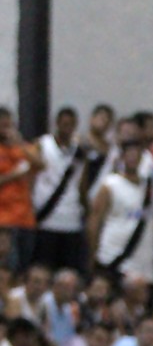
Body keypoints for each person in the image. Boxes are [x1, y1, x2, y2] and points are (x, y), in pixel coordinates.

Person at [88, 120, 153, 285]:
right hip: (115, 257)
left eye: (137, 154)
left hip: (144, 260)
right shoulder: (111, 184)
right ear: (121, 157)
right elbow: (95, 221)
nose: (133, 158)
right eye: (129, 153)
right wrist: (93, 253)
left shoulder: (150, 186)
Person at [32, 107, 87, 272]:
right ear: (56, 123)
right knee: (43, 267)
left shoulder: (79, 151)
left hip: (71, 218)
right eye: (64, 124)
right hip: (46, 218)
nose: (67, 128)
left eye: (70, 124)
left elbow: (82, 184)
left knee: (68, 270)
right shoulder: (42, 145)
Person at [0, 106, 43, 273]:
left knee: (23, 267)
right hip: (4, 220)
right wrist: (14, 175)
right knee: (7, 267)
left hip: (25, 218)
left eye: (8, 125)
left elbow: (41, 164)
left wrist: (20, 145)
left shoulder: (22, 148)